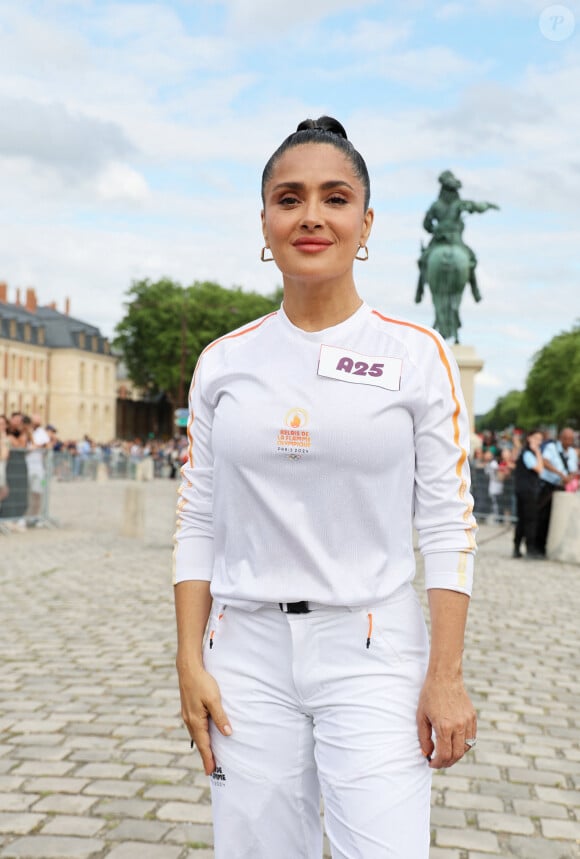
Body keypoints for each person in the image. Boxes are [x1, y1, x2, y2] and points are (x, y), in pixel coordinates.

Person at [173, 116, 478, 859]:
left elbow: (447, 523)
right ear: (266, 221)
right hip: (244, 650)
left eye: (334, 197)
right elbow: (198, 515)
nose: (311, 215)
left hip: (372, 647)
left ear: (365, 222)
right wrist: (189, 660)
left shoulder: (415, 354)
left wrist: (445, 674)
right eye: (290, 197)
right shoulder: (224, 361)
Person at [536, 427, 578, 556]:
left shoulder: (572, 452)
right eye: (566, 439)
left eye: (571, 439)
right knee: (542, 517)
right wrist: (560, 474)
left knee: (555, 518)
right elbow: (545, 462)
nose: (568, 442)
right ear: (561, 438)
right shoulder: (551, 448)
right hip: (549, 485)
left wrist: (570, 476)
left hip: (562, 488)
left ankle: (550, 545)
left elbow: (573, 469)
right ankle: (538, 546)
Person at [513, 429, 544, 559]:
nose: (538, 442)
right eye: (536, 438)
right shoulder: (528, 453)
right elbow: (539, 469)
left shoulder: (524, 452)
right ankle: (530, 549)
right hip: (528, 491)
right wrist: (538, 452)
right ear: (529, 438)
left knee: (522, 519)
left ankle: (517, 548)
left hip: (522, 489)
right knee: (530, 520)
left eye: (540, 440)